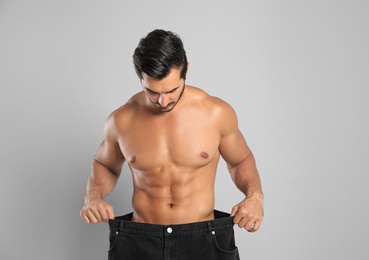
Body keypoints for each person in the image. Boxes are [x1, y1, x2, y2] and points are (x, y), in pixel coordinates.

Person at [80, 29, 264, 260]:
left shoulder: (216, 113)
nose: (163, 101)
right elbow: (104, 164)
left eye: (171, 91)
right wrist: (93, 195)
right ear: (140, 78)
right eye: (152, 92)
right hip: (140, 240)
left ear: (186, 70)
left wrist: (254, 196)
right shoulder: (121, 120)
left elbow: (240, 160)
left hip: (203, 238)